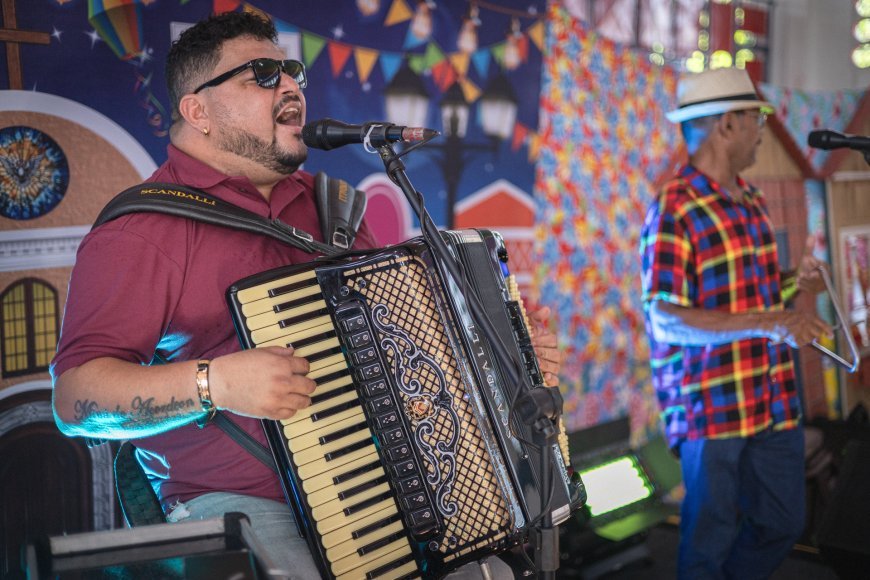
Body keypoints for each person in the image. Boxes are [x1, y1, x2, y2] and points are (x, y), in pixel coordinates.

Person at [50, 11, 561, 580]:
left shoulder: (332, 208)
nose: (290, 85)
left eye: (291, 71)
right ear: (198, 112)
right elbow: (75, 401)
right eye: (262, 74)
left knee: (490, 572)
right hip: (242, 503)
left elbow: (399, 347)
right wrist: (215, 383)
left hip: (380, 487)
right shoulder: (141, 231)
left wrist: (504, 360)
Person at [639, 67, 832, 580]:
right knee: (709, 541)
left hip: (770, 398)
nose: (761, 131)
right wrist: (774, 320)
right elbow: (665, 317)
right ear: (727, 125)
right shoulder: (674, 207)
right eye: (755, 119)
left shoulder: (751, 199)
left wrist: (796, 283)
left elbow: (755, 294)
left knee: (783, 522)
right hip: (713, 406)